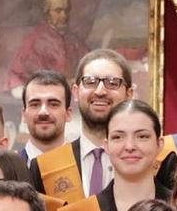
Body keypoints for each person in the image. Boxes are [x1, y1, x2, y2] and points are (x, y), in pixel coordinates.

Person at [33, 48, 136, 201]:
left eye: (112, 83)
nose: (100, 91)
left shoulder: (146, 162)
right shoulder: (45, 167)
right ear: (75, 92)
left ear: (129, 95)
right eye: (90, 82)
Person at [7, 0, 91, 95]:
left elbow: (90, 64)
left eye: (66, 10)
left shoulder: (74, 40)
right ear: (47, 12)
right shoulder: (35, 39)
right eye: (58, 11)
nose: (64, 16)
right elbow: (19, 75)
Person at [18, 68, 73, 161]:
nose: (43, 112)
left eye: (53, 104)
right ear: (24, 115)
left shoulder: (84, 170)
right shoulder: (7, 170)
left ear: (68, 114)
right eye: (35, 104)